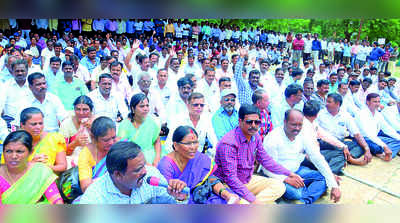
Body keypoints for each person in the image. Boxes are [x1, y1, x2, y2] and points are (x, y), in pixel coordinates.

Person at [214, 104, 302, 204]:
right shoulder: (229, 143)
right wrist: (254, 200)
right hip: (228, 186)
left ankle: (250, 205)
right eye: (249, 122)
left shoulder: (255, 136)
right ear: (240, 121)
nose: (253, 125)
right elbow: (231, 178)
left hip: (247, 180)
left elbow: (266, 160)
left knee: (279, 186)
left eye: (257, 122)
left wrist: (289, 174)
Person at [263, 109, 340, 204]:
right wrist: (286, 179)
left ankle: (302, 202)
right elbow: (266, 169)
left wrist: (334, 185)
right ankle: (304, 194)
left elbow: (317, 158)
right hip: (278, 176)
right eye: (293, 124)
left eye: (300, 125)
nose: (297, 128)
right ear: (284, 122)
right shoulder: (273, 139)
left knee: (324, 178)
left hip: (297, 171)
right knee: (296, 193)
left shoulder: (303, 134)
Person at [79, 141, 185, 204]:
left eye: (144, 165)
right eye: (138, 169)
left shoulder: (151, 175)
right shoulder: (95, 198)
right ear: (118, 175)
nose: (145, 171)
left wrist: (179, 197)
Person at [158, 126, 240, 204]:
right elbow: (164, 194)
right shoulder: (165, 165)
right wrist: (180, 196)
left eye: (195, 142)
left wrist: (226, 195)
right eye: (188, 143)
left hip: (203, 194)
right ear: (176, 145)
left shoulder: (198, 157)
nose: (193, 147)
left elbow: (210, 179)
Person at [0, 130, 63, 204]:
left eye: (19, 151)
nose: (13, 156)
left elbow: (56, 201)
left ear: (31, 152)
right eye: (8, 151)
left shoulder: (41, 172)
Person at [1, 107, 68, 174]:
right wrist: (31, 165)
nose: (38, 127)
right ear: (22, 125)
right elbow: (5, 170)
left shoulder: (54, 138)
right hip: (18, 182)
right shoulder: (12, 142)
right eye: (34, 124)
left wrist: (45, 167)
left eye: (40, 123)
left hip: (46, 180)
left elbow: (62, 166)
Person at [317, 93, 372, 165]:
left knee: (360, 145)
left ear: (337, 104)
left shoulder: (345, 115)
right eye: (326, 101)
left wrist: (367, 149)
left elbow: (356, 134)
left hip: (340, 142)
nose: (326, 104)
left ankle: (347, 157)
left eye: (329, 102)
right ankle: (350, 159)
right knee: (341, 148)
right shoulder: (320, 114)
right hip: (325, 142)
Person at [166, 92, 218, 158]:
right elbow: (169, 144)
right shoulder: (178, 119)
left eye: (201, 105)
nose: (199, 107)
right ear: (188, 105)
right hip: (180, 156)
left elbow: (214, 141)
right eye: (196, 105)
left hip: (198, 157)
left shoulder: (206, 120)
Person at [117, 93, 162, 166]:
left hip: (152, 157)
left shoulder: (151, 122)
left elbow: (157, 141)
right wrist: (144, 163)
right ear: (132, 109)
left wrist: (157, 159)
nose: (145, 109)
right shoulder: (125, 125)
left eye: (147, 105)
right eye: (142, 106)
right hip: (133, 159)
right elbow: (123, 148)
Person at [355, 93, 400, 161]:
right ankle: (382, 153)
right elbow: (369, 134)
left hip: (375, 137)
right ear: (368, 102)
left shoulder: (378, 114)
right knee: (377, 147)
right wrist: (384, 146)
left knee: (398, 141)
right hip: (364, 139)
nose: (377, 104)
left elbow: (387, 128)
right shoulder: (361, 114)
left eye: (379, 101)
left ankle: (386, 154)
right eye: (375, 101)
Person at [78, 116, 117, 193]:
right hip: (100, 192)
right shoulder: (86, 154)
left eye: (113, 137)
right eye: (106, 140)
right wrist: (112, 178)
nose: (111, 142)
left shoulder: (119, 143)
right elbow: (85, 187)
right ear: (93, 138)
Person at [59, 96, 96, 166]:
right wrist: (75, 143)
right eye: (78, 109)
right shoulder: (66, 124)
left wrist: (93, 129)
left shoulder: (97, 122)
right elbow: (61, 153)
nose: (81, 113)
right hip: (72, 159)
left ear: (91, 110)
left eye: (85, 109)